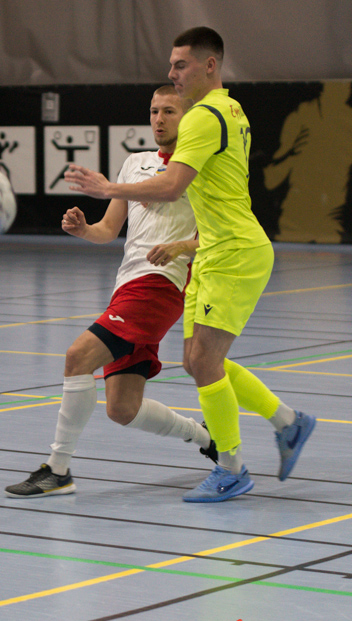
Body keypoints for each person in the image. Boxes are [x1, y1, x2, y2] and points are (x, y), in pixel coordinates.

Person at [64, 27, 316, 503]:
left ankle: (232, 468)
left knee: (202, 361)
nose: (172, 73)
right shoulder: (231, 108)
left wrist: (108, 188)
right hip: (212, 251)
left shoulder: (203, 117)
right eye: (171, 66)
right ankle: (288, 423)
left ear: (209, 65)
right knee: (199, 360)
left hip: (233, 251)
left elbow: (172, 186)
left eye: (181, 65)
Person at [5, 85, 215, 499]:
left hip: (160, 286)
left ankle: (58, 469)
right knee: (122, 408)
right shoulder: (134, 163)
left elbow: (217, 235)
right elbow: (108, 229)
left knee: (77, 356)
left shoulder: (197, 170)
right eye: (153, 111)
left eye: (169, 111)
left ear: (189, 118)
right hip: (126, 286)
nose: (158, 119)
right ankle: (208, 438)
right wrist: (85, 229)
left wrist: (181, 246)